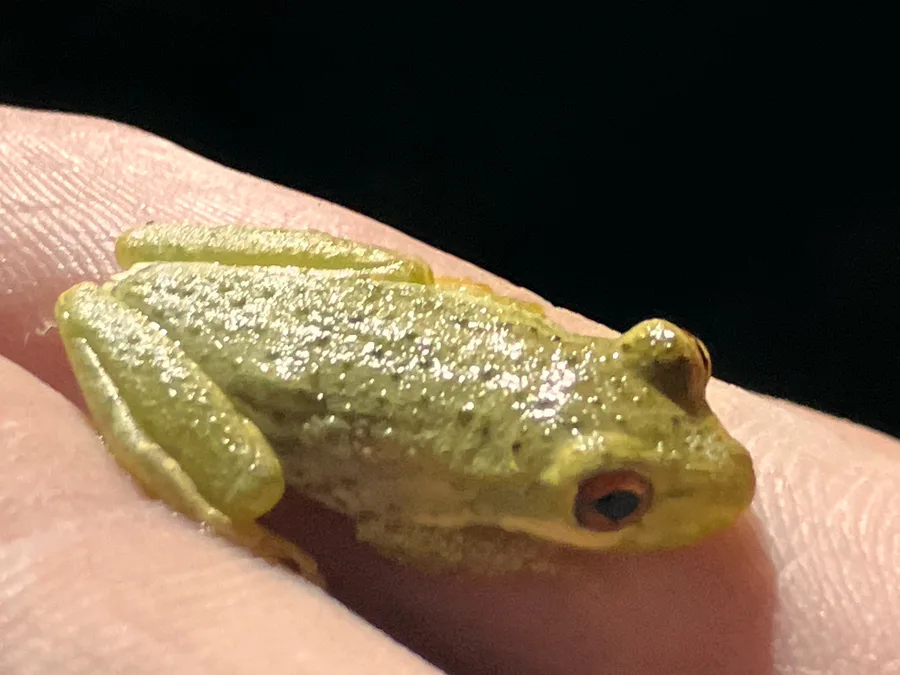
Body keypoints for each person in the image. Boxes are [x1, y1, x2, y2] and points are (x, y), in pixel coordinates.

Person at [1, 105, 897, 674]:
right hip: (222, 356)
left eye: (678, 368)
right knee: (247, 483)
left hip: (277, 311)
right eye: (613, 500)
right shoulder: (462, 489)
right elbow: (397, 528)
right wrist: (530, 557)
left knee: (395, 273)